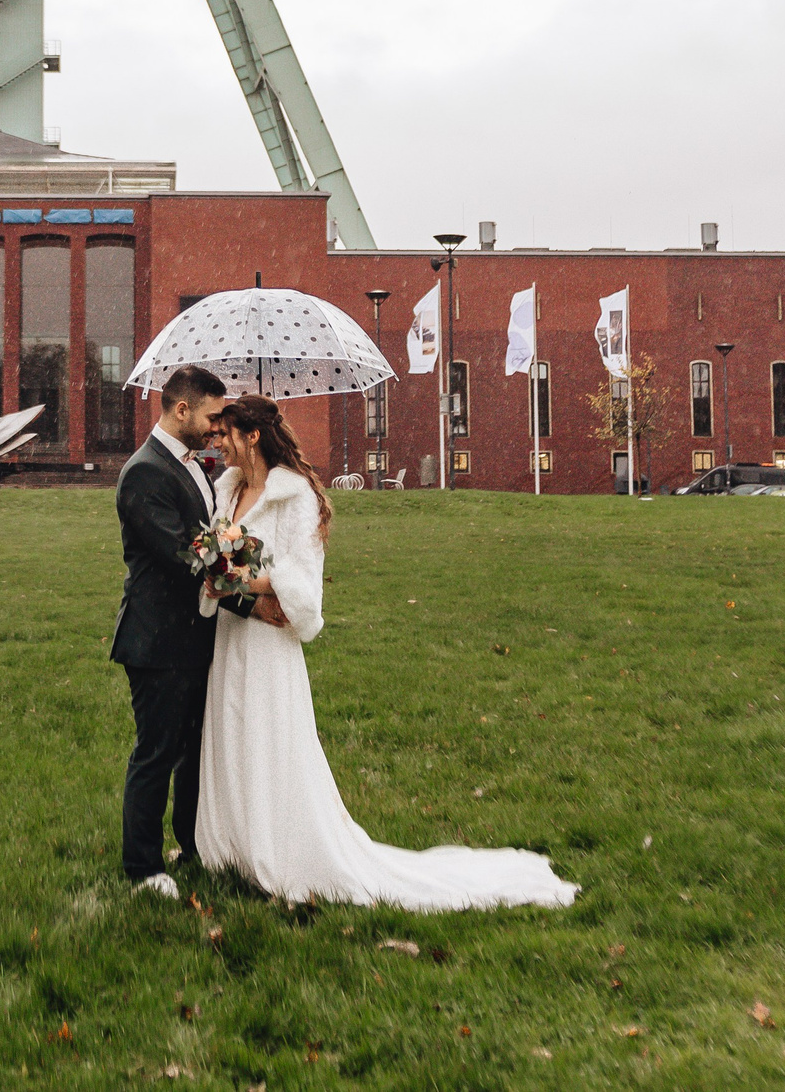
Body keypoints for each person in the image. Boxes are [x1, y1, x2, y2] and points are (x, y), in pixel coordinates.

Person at [192, 393, 579, 911]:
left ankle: (279, 849)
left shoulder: (295, 495)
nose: (218, 441)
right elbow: (219, 556)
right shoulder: (227, 490)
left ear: (253, 435)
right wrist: (217, 576)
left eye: (227, 432)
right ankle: (233, 848)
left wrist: (242, 577)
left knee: (266, 740)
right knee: (231, 734)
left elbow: (302, 585)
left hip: (268, 645)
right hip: (230, 638)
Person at [111, 364, 287, 897]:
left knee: (195, 750)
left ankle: (193, 846)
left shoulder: (195, 466)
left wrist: (252, 555)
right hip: (157, 640)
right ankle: (143, 869)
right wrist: (253, 599)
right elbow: (188, 556)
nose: (216, 427)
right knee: (157, 752)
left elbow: (210, 539)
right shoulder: (144, 472)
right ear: (181, 409)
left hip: (194, 637)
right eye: (210, 416)